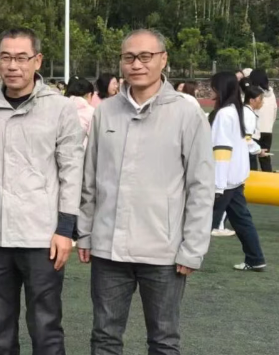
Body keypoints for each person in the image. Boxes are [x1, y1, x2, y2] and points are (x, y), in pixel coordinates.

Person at [78, 29, 215, 355]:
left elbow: (201, 185)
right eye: (129, 57)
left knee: (164, 340)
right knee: (105, 337)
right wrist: (85, 233)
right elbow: (90, 178)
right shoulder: (106, 111)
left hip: (164, 252)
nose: (136, 64)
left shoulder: (186, 112)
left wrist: (193, 248)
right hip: (109, 250)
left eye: (145, 56)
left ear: (163, 59)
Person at [0, 28, 85, 355]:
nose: (13, 66)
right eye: (6, 57)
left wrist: (65, 229)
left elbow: (71, 171)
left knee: (46, 327)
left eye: (21, 58)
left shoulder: (60, 108)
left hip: (42, 238)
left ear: (37, 60)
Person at [209, 72, 266, 272]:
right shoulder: (236, 110)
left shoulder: (225, 114)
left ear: (220, 88)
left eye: (213, 87)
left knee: (201, 221)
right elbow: (242, 142)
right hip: (235, 178)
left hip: (225, 181)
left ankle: (181, 258)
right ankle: (255, 258)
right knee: (241, 220)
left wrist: (218, 185)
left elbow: (222, 150)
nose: (210, 91)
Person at [248, 69, 277, 172]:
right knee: (265, 159)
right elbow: (274, 111)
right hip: (268, 131)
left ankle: (252, 179)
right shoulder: (271, 94)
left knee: (251, 158)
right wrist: (270, 125)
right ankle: (268, 178)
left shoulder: (253, 93)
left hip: (255, 131)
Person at [64, 76, 95, 145]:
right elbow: (93, 137)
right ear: (89, 95)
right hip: (81, 149)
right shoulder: (91, 112)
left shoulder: (62, 106)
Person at [241, 83, 265, 171]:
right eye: (260, 99)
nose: (262, 102)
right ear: (252, 100)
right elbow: (247, 138)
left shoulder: (243, 110)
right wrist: (258, 150)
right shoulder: (249, 114)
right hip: (246, 154)